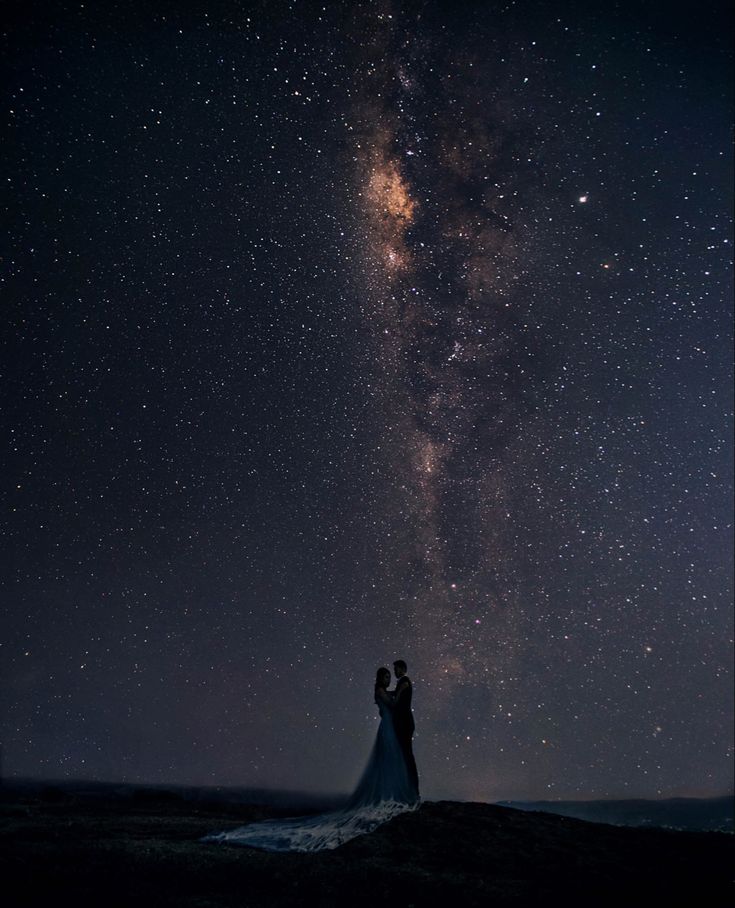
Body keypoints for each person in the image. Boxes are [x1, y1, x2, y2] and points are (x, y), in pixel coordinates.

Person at [202, 666, 419, 852]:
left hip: (388, 728)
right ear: (380, 678)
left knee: (391, 761)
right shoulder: (380, 691)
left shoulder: (384, 689)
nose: (388, 680)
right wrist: (398, 693)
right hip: (388, 729)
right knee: (388, 760)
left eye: (390, 677)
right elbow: (391, 706)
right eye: (386, 677)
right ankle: (392, 793)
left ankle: (394, 791)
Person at [392, 659, 419, 797]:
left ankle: (413, 790)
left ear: (402, 669)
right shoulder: (402, 682)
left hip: (405, 722)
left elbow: (397, 700)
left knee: (407, 756)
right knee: (406, 755)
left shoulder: (404, 681)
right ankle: (410, 789)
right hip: (405, 721)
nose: (394, 671)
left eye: (396, 668)